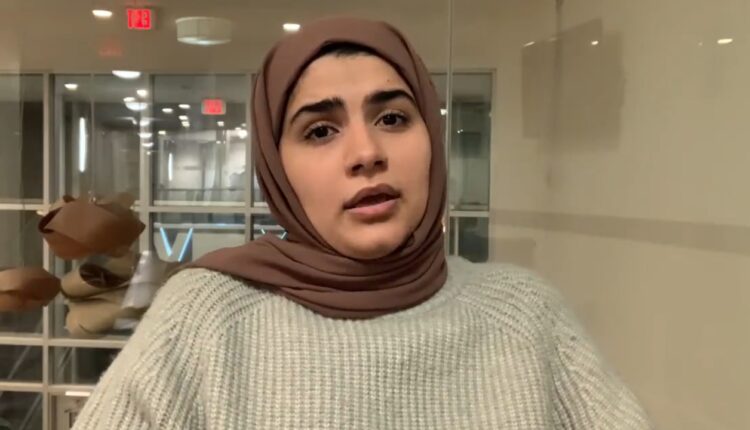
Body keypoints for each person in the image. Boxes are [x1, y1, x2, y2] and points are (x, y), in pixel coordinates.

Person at [72, 17, 651, 429]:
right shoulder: (206, 319)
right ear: (276, 168)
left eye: (393, 118)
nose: (367, 152)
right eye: (320, 130)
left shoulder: (524, 315)